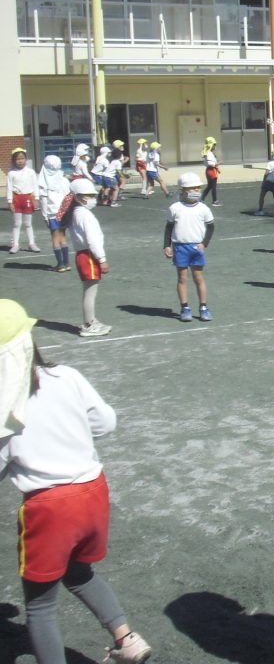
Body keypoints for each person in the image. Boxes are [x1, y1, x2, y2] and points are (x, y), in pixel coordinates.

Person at [0, 299, 153, 663]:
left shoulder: (5, 407)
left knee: (39, 606)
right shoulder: (65, 375)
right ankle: (127, 639)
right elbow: (105, 423)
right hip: (93, 491)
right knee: (79, 573)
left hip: (49, 507)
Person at [61, 179, 111, 337]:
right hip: (88, 255)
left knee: (89, 291)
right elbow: (92, 239)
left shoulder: (75, 213)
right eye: (88, 195)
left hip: (84, 254)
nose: (92, 198)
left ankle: (91, 321)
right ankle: (89, 324)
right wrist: (102, 259)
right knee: (90, 292)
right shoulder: (83, 214)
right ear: (78, 197)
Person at [164, 172, 215, 322]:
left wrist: (204, 244)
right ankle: (185, 308)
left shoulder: (203, 208)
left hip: (196, 248)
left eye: (198, 188)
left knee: (199, 278)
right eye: (192, 188)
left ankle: (203, 307)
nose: (196, 191)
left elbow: (211, 227)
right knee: (182, 278)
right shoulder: (175, 208)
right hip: (180, 247)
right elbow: (169, 228)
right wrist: (167, 246)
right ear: (183, 191)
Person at [38, 155, 71, 272]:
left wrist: (45, 217)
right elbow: (69, 197)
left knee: (55, 238)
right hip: (64, 213)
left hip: (52, 214)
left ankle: (60, 264)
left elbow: (43, 202)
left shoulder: (43, 182)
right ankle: (67, 263)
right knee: (63, 237)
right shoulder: (64, 180)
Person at [7, 148, 40, 254]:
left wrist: (36, 198)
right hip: (17, 198)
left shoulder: (31, 172)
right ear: (13, 160)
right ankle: (15, 244)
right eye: (17, 159)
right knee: (17, 223)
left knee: (28, 223)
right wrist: (10, 201)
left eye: (22, 158)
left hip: (28, 199)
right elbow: (9, 187)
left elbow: (35, 186)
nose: (20, 161)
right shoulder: (11, 173)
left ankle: (31, 243)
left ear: (26, 159)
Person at [255, 148, 274, 216]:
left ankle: (260, 210)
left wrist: (264, 181)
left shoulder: (270, 163)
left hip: (268, 182)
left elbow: (266, 173)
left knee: (262, 195)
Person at [201, 137, 221, 206]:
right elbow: (210, 164)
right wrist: (217, 164)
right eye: (214, 145)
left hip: (210, 171)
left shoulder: (208, 153)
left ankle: (202, 199)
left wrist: (217, 168)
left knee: (209, 186)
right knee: (213, 187)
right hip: (211, 171)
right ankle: (215, 201)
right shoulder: (209, 153)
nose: (215, 146)